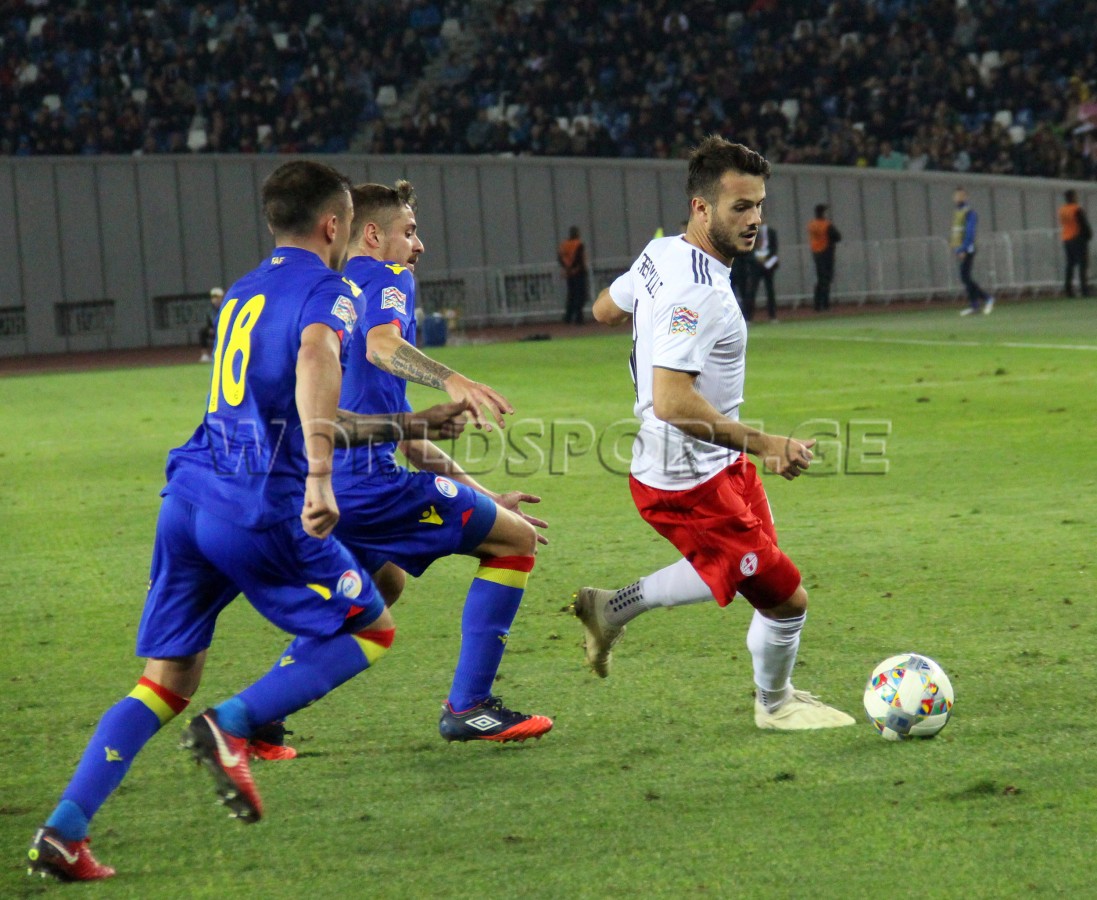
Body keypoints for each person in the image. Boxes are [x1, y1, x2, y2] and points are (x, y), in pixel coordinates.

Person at [25, 160, 468, 882]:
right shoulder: (330, 291)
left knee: (165, 680)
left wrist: (407, 424)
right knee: (371, 626)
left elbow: (301, 412)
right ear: (334, 225)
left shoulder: (242, 292)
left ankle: (64, 831)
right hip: (257, 506)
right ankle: (232, 724)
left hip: (189, 500)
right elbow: (316, 364)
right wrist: (319, 478)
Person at [574, 135, 854, 733]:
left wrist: (649, 311)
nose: (754, 220)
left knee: (749, 569)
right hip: (683, 479)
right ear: (701, 209)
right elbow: (673, 401)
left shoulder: (662, 252)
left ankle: (610, 609)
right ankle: (774, 705)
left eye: (758, 206)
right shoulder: (698, 291)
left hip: (715, 461)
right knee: (786, 599)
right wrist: (769, 444)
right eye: (740, 208)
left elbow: (603, 309)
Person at [330, 180, 553, 743]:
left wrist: (488, 497)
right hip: (369, 487)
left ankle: (255, 716)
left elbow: (407, 438)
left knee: (379, 589)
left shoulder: (333, 292)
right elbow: (384, 345)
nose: (418, 245)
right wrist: (452, 378)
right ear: (373, 235)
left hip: (320, 486)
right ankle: (469, 705)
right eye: (409, 232)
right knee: (515, 542)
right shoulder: (387, 277)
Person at [950, 187, 994, 315]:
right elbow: (957, 232)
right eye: (956, 196)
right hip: (961, 248)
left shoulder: (969, 212)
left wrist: (963, 249)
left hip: (967, 248)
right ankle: (975, 305)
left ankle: (987, 298)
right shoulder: (957, 212)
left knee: (965, 277)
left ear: (965, 197)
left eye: (960, 196)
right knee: (965, 277)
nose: (958, 198)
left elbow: (970, 233)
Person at [1059, 189, 1092, 297]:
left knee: (1070, 264)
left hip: (1066, 238)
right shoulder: (1077, 209)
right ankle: (1084, 290)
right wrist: (1089, 235)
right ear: (1073, 197)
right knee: (1083, 264)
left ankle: (1068, 289)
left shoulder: (1062, 210)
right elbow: (1083, 224)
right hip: (1078, 238)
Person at [807, 205, 840, 311]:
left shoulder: (811, 225)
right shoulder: (826, 225)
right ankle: (825, 304)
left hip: (816, 253)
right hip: (826, 252)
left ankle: (817, 304)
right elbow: (838, 237)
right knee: (826, 279)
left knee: (820, 279)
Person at [558, 225, 589, 324]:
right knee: (580, 296)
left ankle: (568, 317)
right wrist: (577, 269)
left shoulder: (564, 245)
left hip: (569, 273)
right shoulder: (578, 244)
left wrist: (567, 269)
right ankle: (578, 318)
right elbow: (579, 259)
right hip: (578, 273)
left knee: (571, 295)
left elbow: (560, 258)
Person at [751, 222, 779, 321]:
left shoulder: (771, 232)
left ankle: (772, 316)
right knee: (752, 290)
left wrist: (767, 259)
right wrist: (756, 259)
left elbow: (774, 248)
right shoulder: (752, 232)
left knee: (770, 290)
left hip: (768, 265)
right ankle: (748, 317)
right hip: (756, 265)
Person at [198, 286, 223, 362]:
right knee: (202, 331)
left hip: (226, 330)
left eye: (217, 297)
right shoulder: (210, 310)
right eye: (213, 297)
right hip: (215, 331)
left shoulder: (226, 307)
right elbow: (209, 323)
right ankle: (205, 355)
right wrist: (210, 328)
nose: (215, 300)